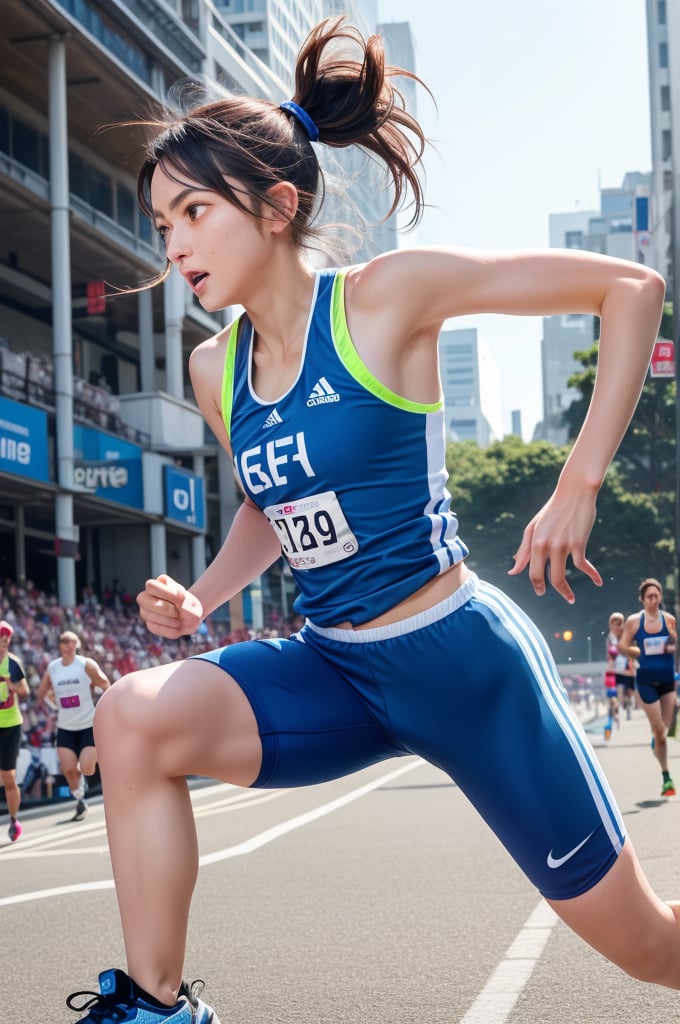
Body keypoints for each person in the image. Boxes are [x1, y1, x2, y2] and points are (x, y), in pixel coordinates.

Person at [63, 17, 680, 1023]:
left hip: (461, 666)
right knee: (132, 714)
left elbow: (628, 288)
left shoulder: (386, 300)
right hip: (335, 669)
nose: (169, 242)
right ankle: (158, 1006)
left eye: (190, 212)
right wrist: (203, 596)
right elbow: (272, 507)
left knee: (644, 946)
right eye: (159, 220)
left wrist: (577, 482)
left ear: (273, 207)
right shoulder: (213, 368)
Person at [37, 630, 110, 822]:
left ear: (77, 644)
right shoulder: (53, 668)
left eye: (71, 641)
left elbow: (106, 685)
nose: (67, 644)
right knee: (69, 770)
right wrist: (50, 703)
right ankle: (80, 800)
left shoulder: (86, 665)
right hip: (66, 728)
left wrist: (106, 709)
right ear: (59, 645)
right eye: (63, 641)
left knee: (86, 769)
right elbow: (42, 691)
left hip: (88, 725)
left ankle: (93, 770)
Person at [618, 579, 677, 797]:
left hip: (667, 681)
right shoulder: (634, 622)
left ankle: (658, 736)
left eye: (657, 595)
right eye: (649, 596)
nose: (654, 599)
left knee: (666, 728)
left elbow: (673, 643)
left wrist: (671, 644)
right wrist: (638, 652)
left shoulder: (669, 619)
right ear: (642, 599)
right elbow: (623, 646)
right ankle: (666, 777)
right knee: (660, 733)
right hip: (646, 682)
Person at [0, 619, 29, 841]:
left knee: (8, 777)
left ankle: (13, 819)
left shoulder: (13, 664)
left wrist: (13, 686)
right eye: (1, 637)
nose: (4, 641)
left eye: (7, 637)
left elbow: (25, 691)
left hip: (11, 725)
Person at [606, 611, 635, 720]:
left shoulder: (627, 635)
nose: (617, 627)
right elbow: (609, 653)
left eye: (619, 624)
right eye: (614, 624)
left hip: (626, 665)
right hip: (615, 666)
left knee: (628, 687)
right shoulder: (610, 637)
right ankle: (614, 706)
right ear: (611, 625)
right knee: (612, 688)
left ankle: (627, 702)